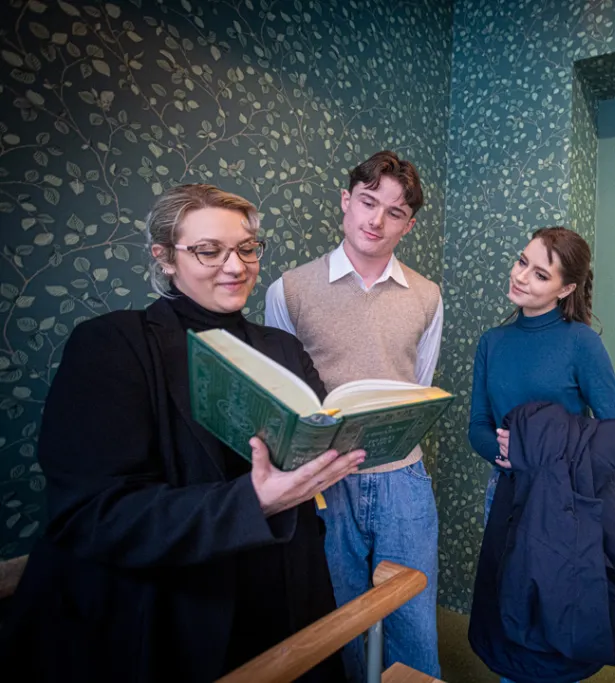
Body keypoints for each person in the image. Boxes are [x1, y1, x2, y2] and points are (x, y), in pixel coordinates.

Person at [0, 185, 366, 682]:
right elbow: (90, 514)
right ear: (165, 258)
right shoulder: (112, 344)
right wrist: (253, 502)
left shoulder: (283, 349)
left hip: (286, 593)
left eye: (246, 248)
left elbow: (313, 440)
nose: (235, 267)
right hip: (175, 613)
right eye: (208, 251)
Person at [264, 151, 443, 681]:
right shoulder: (289, 289)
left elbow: (418, 386)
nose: (375, 220)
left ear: (407, 225)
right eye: (367, 202)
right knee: (335, 619)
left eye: (393, 212)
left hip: (402, 478)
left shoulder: (428, 296)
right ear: (346, 202)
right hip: (322, 482)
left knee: (412, 620)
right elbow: (286, 395)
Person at [468, 226, 615, 683]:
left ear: (566, 289)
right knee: (511, 621)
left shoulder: (582, 343)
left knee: (554, 629)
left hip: (564, 506)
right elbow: (477, 428)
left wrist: (546, 446)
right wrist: (503, 453)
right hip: (505, 497)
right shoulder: (492, 343)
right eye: (522, 261)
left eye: (540, 274)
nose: (521, 276)